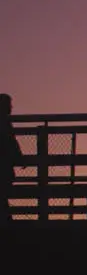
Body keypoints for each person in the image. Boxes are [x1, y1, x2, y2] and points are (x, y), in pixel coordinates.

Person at [1, 93, 25, 222]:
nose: (12, 107)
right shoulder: (4, 122)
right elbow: (11, 142)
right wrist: (19, 158)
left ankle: (6, 218)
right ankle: (6, 219)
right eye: (9, 104)